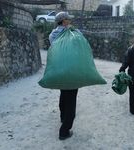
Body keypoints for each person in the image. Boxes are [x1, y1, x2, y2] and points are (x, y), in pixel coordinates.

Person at [49, 12, 79, 140]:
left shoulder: (53, 34)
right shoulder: (73, 34)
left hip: (59, 70)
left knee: (63, 94)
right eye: (68, 19)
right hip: (71, 70)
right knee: (71, 99)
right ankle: (64, 131)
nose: (70, 20)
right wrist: (74, 31)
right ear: (64, 21)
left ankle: (62, 117)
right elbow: (80, 43)